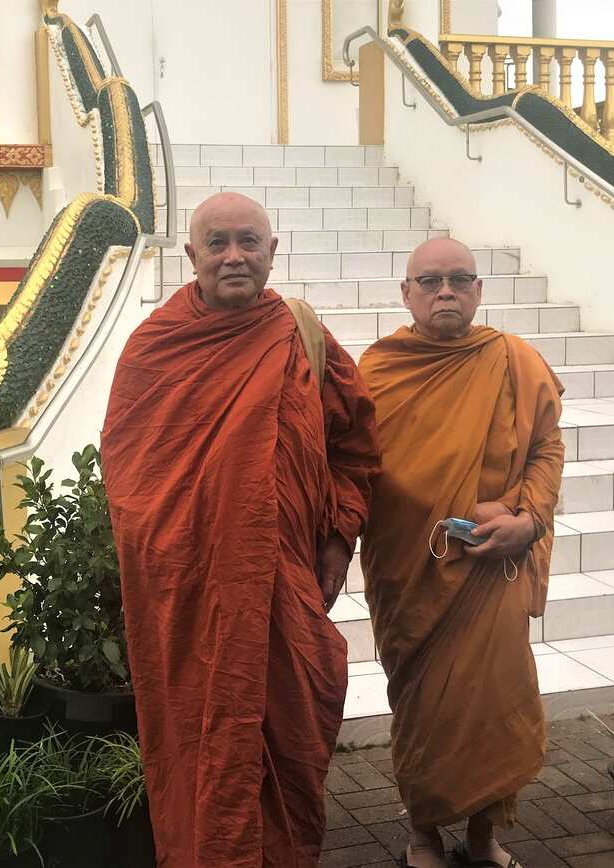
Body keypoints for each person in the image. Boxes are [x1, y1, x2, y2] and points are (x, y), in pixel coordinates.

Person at [100, 192, 380, 867]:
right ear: (191, 255)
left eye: (248, 241)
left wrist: (340, 539)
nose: (233, 255)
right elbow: (130, 479)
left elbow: (357, 446)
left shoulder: (302, 335)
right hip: (190, 599)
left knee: (288, 741)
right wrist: (186, 553)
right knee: (201, 745)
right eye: (217, 242)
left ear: (272, 252)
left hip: (284, 587)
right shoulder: (154, 350)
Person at [358, 237, 564, 868]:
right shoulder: (377, 371)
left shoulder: (513, 361)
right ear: (406, 294)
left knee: (493, 702)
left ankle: (483, 836)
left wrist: (528, 521)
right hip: (410, 570)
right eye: (429, 281)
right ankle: (423, 833)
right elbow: (358, 465)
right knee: (422, 707)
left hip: (490, 570)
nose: (444, 291)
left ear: (478, 291)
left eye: (458, 280)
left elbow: (546, 451)